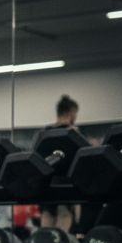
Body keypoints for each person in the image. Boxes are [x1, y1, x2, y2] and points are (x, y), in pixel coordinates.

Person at [42, 94, 80, 234]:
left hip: (47, 185)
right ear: (71, 113)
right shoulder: (72, 132)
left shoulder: (45, 132)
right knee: (64, 218)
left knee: (47, 216)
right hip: (65, 184)